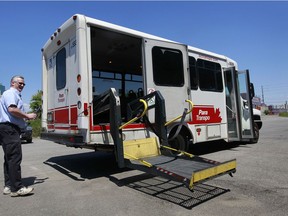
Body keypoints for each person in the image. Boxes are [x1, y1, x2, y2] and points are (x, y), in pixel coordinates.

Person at [0, 75, 37, 197]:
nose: (22, 85)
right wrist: (27, 116)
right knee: (14, 158)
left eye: (23, 84)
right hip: (10, 129)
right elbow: (12, 109)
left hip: (6, 129)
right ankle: (17, 188)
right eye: (19, 83)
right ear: (12, 83)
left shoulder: (10, 94)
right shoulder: (11, 93)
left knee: (9, 158)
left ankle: (9, 186)